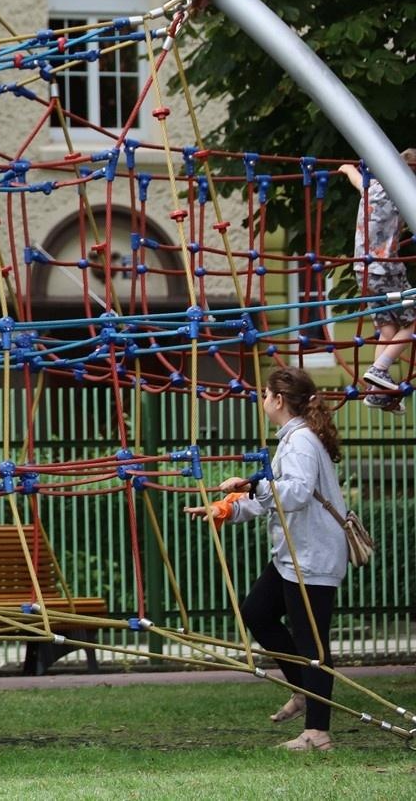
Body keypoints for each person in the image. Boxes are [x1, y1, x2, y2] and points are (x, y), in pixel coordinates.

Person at [184, 366, 348, 753]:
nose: (262, 400)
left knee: (313, 645)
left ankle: (318, 733)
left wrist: (255, 483)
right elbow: (271, 498)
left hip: (311, 556)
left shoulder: (302, 441)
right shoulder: (292, 439)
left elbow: (295, 494)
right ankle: (304, 690)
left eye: (264, 394)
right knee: (257, 613)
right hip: (293, 556)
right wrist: (225, 510)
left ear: (278, 400)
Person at [339, 150, 416, 412]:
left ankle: (376, 391)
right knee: (414, 320)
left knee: (387, 330)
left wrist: (349, 169)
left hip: (363, 270)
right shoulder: (403, 193)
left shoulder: (373, 186)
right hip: (385, 268)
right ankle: (380, 369)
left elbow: (356, 180)